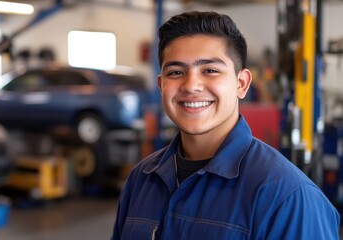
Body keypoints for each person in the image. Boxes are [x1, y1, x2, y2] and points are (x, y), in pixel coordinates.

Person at [111, 11, 340, 239]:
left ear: (241, 84)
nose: (191, 85)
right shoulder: (141, 180)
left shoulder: (288, 197)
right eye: (176, 72)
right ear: (161, 86)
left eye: (210, 70)